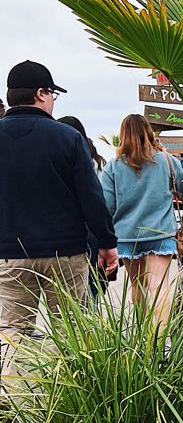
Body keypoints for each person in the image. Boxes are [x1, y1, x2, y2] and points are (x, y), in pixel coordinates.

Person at [0, 61, 117, 384]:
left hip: (10, 254)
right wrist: (107, 243)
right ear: (41, 93)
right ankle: (70, 401)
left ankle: (12, 411)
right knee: (71, 332)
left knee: (13, 333)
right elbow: (91, 198)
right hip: (65, 254)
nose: (53, 101)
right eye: (52, 94)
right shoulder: (67, 138)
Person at [101, 114, 183, 325]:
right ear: (148, 132)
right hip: (160, 233)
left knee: (137, 285)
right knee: (160, 285)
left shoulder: (113, 167)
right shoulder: (167, 161)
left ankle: (141, 335)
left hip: (128, 236)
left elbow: (107, 205)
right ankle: (161, 342)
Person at [57, 115, 114, 297]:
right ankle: (93, 321)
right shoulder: (97, 161)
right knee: (94, 286)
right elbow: (99, 199)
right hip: (94, 230)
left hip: (69, 233)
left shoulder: (62, 156)